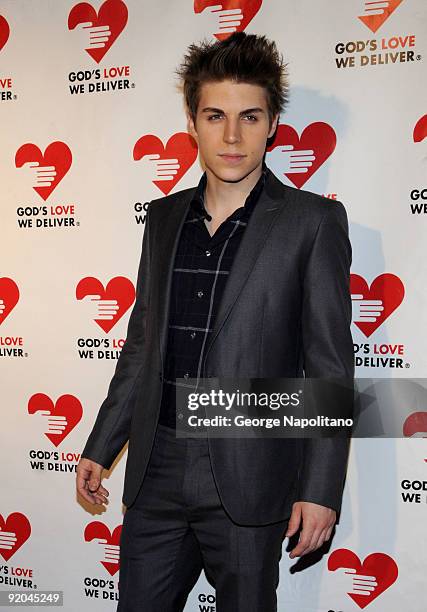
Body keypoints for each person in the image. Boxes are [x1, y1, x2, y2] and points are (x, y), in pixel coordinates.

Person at [76, 32, 354, 612]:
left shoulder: (313, 223)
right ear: (193, 121)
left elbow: (329, 364)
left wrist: (321, 489)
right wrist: (103, 444)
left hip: (250, 473)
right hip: (155, 468)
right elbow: (142, 340)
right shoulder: (162, 217)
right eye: (216, 116)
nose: (232, 136)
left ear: (273, 123)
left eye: (250, 116)